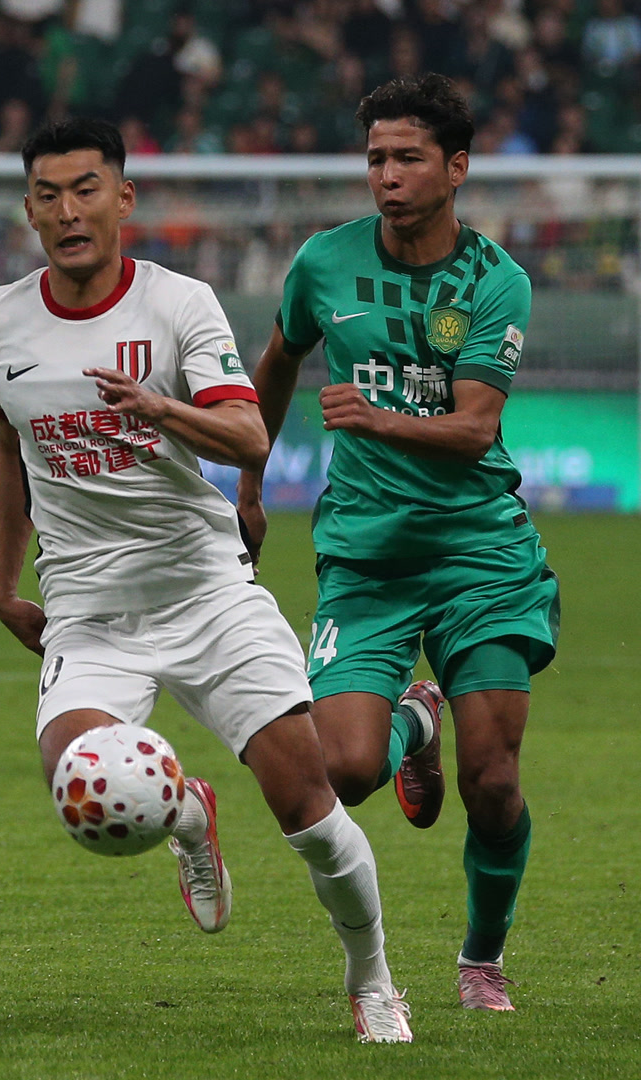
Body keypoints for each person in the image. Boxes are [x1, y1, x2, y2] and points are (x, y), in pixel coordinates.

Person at [0, 116, 413, 1044]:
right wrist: (5, 583)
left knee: (311, 811)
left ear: (123, 199)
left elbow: (249, 435)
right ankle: (184, 808)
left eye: (86, 189)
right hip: (89, 610)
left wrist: (159, 407)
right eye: (48, 195)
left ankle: (372, 979)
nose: (68, 211)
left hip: (206, 594)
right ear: (29, 211)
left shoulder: (177, 304)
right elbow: (9, 445)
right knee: (76, 782)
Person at [238, 73, 560, 1012]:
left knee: (492, 779)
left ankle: (481, 959)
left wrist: (375, 419)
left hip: (478, 554)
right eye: (376, 157)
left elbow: (475, 428)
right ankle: (416, 719)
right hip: (366, 555)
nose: (387, 175)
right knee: (343, 770)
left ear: (456, 169)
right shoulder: (324, 264)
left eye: (408, 158)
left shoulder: (495, 281)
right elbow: (279, 360)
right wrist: (250, 480)